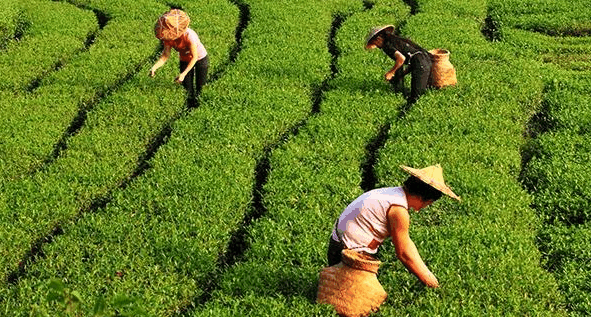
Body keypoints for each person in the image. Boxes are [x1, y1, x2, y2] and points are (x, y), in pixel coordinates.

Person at [327, 164, 461, 288]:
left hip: (337, 245)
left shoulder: (392, 194)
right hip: (347, 255)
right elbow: (404, 253)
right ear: (424, 199)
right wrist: (430, 283)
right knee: (368, 302)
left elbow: (406, 241)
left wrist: (429, 275)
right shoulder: (398, 210)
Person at [150, 9, 208, 107]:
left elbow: (194, 57)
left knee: (200, 86)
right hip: (184, 60)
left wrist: (183, 74)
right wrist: (154, 67)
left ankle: (199, 106)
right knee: (187, 88)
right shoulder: (168, 37)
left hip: (200, 59)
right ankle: (189, 107)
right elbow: (165, 56)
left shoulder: (189, 36)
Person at [365, 25, 432, 105]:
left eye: (374, 43)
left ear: (378, 39)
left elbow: (401, 59)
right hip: (425, 60)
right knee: (418, 93)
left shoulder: (387, 45)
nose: (376, 46)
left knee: (417, 98)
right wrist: (401, 75)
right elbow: (412, 59)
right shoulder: (394, 39)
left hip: (421, 63)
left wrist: (391, 72)